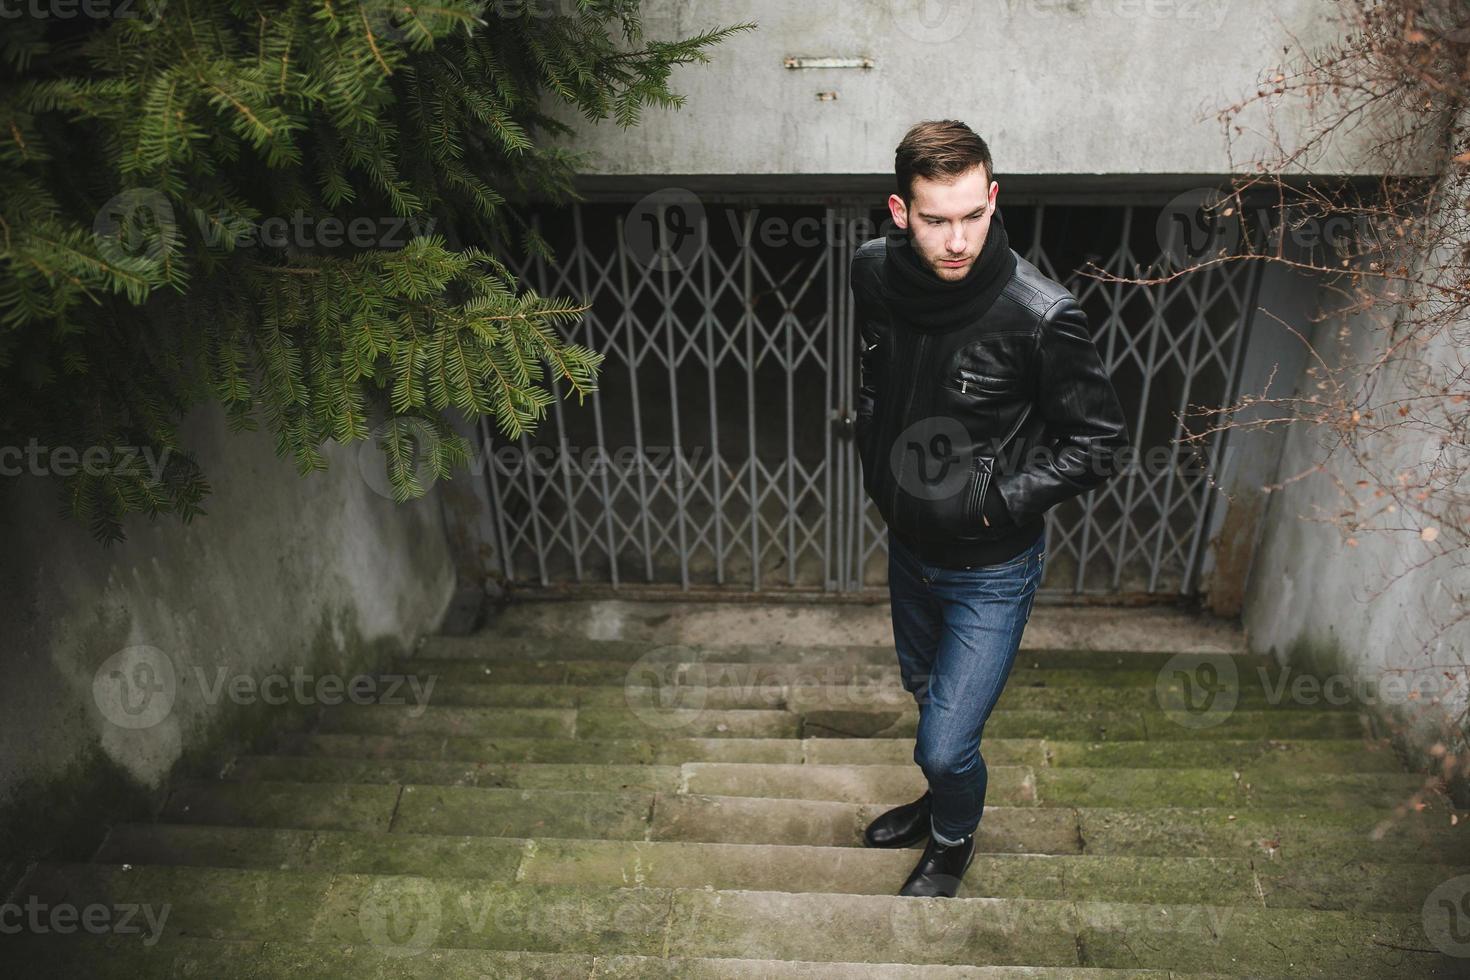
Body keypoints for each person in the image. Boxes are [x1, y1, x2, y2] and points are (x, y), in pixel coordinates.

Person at [851, 119, 1130, 897]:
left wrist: (990, 503)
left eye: (973, 215)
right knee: (929, 699)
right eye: (936, 219)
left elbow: (1099, 440)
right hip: (908, 547)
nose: (957, 240)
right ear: (900, 212)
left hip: (990, 566)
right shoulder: (872, 272)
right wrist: (875, 457)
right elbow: (873, 371)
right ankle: (939, 796)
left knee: (944, 743)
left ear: (993, 198)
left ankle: (952, 838)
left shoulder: (1040, 314)